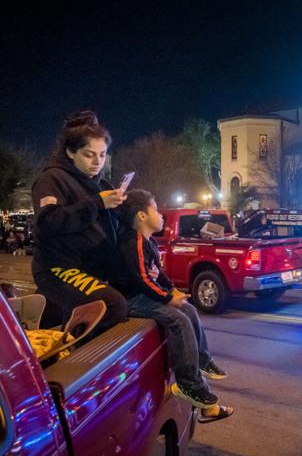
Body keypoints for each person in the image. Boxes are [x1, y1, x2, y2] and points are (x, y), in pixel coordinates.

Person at [114, 189, 233, 419]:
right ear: (141, 216)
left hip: (145, 296)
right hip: (132, 300)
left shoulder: (148, 242)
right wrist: (167, 298)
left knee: (188, 309)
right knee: (179, 319)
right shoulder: (134, 242)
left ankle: (203, 360)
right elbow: (143, 279)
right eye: (156, 210)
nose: (160, 215)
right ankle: (189, 384)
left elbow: (158, 275)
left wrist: (173, 290)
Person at [31, 111, 128, 332]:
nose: (97, 162)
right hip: (58, 268)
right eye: (89, 154)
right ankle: (75, 359)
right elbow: (47, 223)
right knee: (111, 305)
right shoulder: (52, 179)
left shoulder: (97, 182)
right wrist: (96, 203)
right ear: (70, 152)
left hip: (90, 267)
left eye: (103, 155)